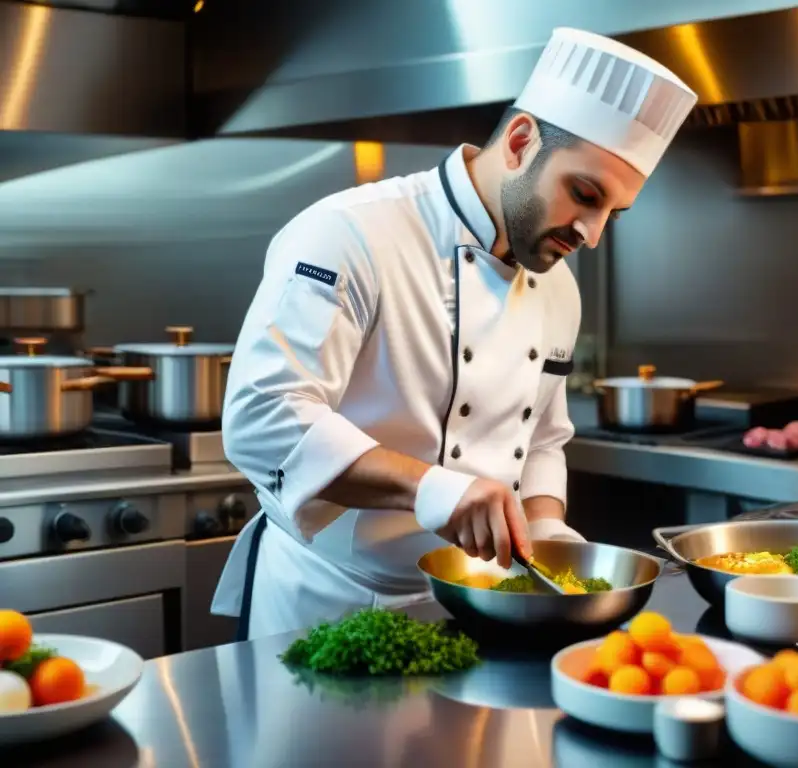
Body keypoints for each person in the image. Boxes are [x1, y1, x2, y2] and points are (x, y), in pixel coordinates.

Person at [211, 27, 698, 640]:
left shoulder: (559, 287)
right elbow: (263, 418)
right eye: (584, 195)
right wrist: (431, 488)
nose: (592, 234)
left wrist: (546, 533)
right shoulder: (350, 235)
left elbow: (545, 438)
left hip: (477, 604)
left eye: (612, 214)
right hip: (328, 601)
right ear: (521, 142)